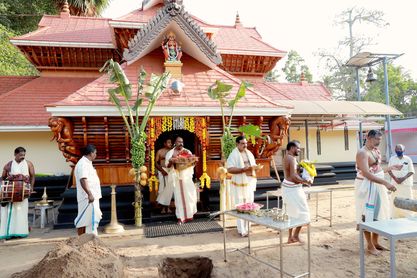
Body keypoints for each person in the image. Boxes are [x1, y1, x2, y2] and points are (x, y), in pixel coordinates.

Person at [356, 130, 398, 255]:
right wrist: (385, 183)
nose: (379, 142)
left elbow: (377, 169)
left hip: (377, 185)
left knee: (379, 214)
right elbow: (366, 173)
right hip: (366, 186)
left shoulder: (375, 150)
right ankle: (369, 245)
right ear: (368, 137)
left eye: (380, 139)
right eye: (377, 139)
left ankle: (375, 242)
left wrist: (389, 169)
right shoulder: (362, 153)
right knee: (367, 214)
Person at [0, 147, 35, 240]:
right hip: (12, 192)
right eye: (20, 155)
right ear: (15, 154)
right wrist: (3, 190)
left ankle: (21, 232)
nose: (22, 157)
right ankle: (10, 233)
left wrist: (31, 187)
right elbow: (2, 177)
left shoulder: (29, 164)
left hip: (23, 192)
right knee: (11, 212)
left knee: (22, 212)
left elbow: (32, 176)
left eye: (24, 155)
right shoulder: (9, 164)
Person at [226, 135, 257, 237]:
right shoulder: (233, 155)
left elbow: (253, 166)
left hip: (249, 183)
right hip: (239, 185)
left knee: (249, 206)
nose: (245, 145)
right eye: (243, 143)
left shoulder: (249, 153)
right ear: (237, 144)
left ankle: (248, 227)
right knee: (240, 207)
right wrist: (243, 170)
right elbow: (229, 169)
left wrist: (256, 169)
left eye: (246, 143)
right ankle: (241, 230)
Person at [282, 141, 311, 244]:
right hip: (293, 189)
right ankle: (296, 236)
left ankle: (290, 237)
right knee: (304, 213)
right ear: (292, 148)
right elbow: (294, 176)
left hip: (287, 187)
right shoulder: (292, 159)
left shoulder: (286, 157)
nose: (299, 150)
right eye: (298, 148)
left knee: (291, 213)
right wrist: (305, 181)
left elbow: (292, 174)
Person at [166, 137, 197, 224]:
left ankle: (190, 215)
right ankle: (180, 217)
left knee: (190, 196)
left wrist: (191, 161)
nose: (181, 143)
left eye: (182, 142)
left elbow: (192, 163)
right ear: (175, 142)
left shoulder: (187, 151)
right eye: (179, 142)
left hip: (186, 178)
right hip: (176, 178)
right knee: (179, 198)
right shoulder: (170, 153)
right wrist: (172, 161)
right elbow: (167, 166)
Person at [74, 144, 102, 236]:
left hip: (91, 197)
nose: (96, 155)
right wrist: (89, 194)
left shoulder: (87, 163)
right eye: (95, 153)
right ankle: (83, 240)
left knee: (92, 219)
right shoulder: (83, 164)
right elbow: (83, 179)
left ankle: (91, 239)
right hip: (87, 198)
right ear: (90, 153)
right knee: (84, 219)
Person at [388, 144, 415, 218]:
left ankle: (408, 216)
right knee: (394, 199)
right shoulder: (392, 159)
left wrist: (403, 178)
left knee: (408, 199)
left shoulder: (408, 159)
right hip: (395, 184)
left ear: (404, 150)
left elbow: (411, 171)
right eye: (397, 149)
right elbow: (389, 170)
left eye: (400, 149)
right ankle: (394, 216)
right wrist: (395, 179)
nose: (398, 151)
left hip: (406, 184)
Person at [156, 138, 174, 214]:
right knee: (162, 189)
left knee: (169, 190)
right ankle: (163, 208)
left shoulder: (173, 152)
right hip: (162, 171)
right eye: (168, 142)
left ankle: (168, 207)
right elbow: (156, 163)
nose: (170, 144)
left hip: (170, 171)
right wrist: (162, 170)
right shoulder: (160, 151)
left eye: (171, 142)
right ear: (164, 143)